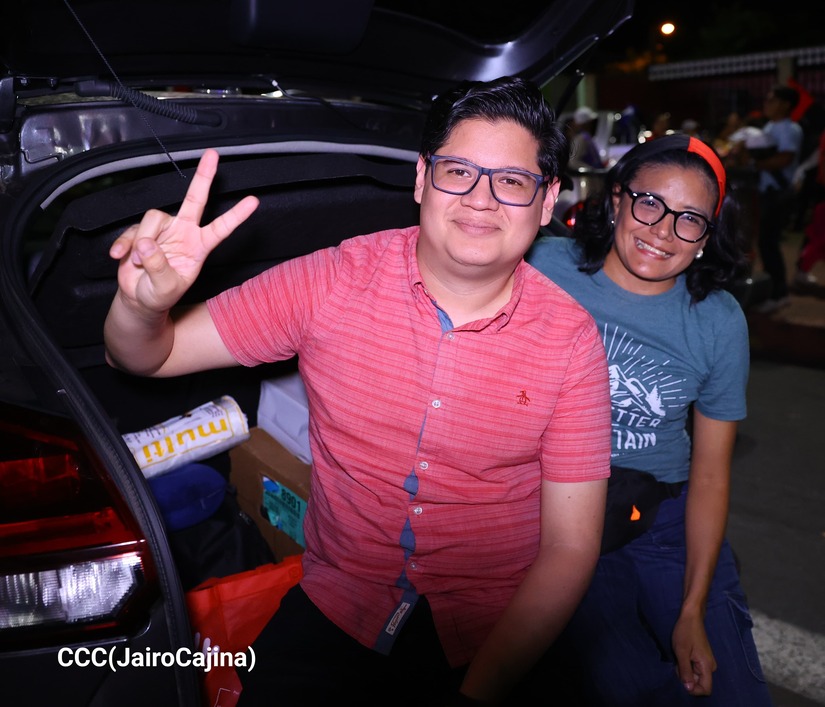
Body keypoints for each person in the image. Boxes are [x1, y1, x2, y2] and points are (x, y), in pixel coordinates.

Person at [102, 76, 613, 706]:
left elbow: (570, 545)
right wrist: (140, 306)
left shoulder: (571, 340)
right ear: (422, 179)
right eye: (458, 171)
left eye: (511, 180)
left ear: (547, 199)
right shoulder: (332, 279)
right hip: (338, 604)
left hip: (496, 628)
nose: (480, 200)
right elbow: (146, 356)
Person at [526, 134, 774, 706]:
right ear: (617, 199)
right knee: (626, 686)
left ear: (707, 237)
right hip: (560, 511)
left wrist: (692, 608)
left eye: (689, 219)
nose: (663, 231)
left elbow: (710, 474)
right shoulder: (543, 265)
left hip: (662, 518)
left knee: (731, 692)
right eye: (649, 204)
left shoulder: (717, 321)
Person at [745, 85, 803, 313]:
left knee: (769, 242)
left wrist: (755, 164)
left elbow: (785, 159)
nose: (767, 104)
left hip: (778, 193)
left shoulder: (790, 129)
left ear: (785, 105)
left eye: (772, 100)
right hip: (767, 191)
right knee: (765, 242)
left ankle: (779, 294)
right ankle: (774, 290)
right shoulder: (769, 126)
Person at [568, 105, 604, 170]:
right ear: (586, 123)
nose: (592, 124)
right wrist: (591, 170)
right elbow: (573, 162)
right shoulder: (581, 138)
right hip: (590, 175)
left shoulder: (585, 136)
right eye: (591, 122)